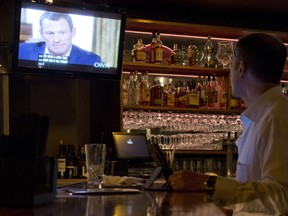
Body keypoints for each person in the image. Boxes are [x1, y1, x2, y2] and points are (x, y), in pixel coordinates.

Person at [167, 33, 288, 215]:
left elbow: (282, 198)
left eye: (232, 65)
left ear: (241, 67)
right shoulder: (261, 117)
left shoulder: (277, 117)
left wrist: (208, 183)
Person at [18, 11, 101, 66]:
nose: (56, 40)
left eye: (62, 33)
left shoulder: (91, 60)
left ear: (73, 32)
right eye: (50, 33)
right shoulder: (21, 50)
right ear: (41, 34)